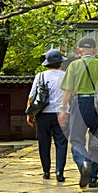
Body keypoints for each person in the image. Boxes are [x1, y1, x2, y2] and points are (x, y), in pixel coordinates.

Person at [58, 37, 98, 188]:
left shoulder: (74, 65)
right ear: (95, 50)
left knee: (77, 139)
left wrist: (63, 109)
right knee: (96, 142)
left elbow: (68, 91)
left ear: (79, 50)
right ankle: (93, 178)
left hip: (80, 103)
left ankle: (84, 162)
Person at [26, 49, 68, 182]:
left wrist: (29, 114)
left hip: (43, 114)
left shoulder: (40, 76)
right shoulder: (67, 76)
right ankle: (59, 172)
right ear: (61, 62)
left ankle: (46, 171)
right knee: (61, 143)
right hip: (62, 114)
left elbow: (31, 96)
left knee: (44, 143)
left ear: (47, 63)